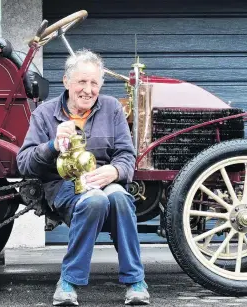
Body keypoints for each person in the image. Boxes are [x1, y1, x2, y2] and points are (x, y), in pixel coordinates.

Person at [17, 49, 149, 306]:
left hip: (105, 180)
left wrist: (116, 171)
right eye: (81, 82)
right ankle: (68, 281)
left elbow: (125, 154)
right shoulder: (44, 114)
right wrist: (53, 144)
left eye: (94, 83)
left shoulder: (111, 108)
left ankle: (136, 281)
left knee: (120, 198)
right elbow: (24, 164)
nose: (87, 90)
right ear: (66, 82)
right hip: (64, 187)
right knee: (95, 201)